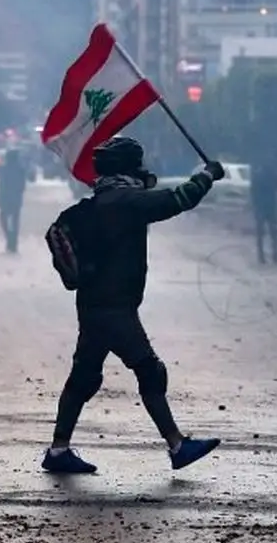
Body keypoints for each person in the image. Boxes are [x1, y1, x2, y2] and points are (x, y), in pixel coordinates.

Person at [42, 135, 225, 475]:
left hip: (94, 305)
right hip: (115, 309)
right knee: (149, 371)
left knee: (83, 377)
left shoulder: (97, 204)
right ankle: (177, 445)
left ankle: (58, 451)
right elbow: (179, 199)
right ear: (130, 167)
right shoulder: (127, 202)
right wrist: (208, 175)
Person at [249, 163, 277, 263]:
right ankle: (275, 254)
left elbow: (252, 191)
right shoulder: (273, 175)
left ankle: (261, 256)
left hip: (260, 207)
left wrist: (254, 205)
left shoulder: (257, 176)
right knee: (274, 232)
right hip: (271, 206)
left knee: (260, 233)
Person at [0, 148, 28, 253]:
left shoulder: (4, 169)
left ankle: (10, 239)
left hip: (6, 198)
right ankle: (13, 241)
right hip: (15, 198)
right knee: (15, 220)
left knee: (3, 218)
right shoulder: (20, 169)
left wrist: (0, 198)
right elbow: (22, 186)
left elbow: (2, 185)